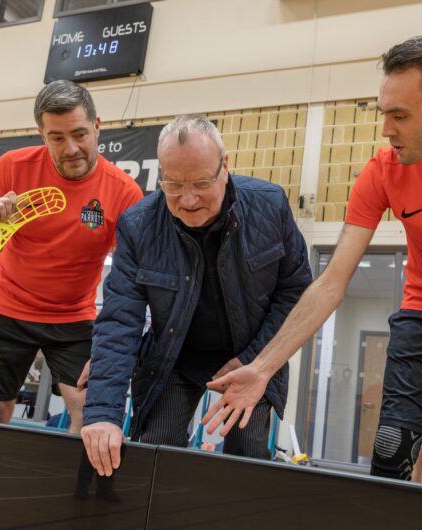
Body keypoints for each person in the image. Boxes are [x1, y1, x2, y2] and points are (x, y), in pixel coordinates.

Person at [203, 36, 422, 496]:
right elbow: (330, 284)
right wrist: (262, 367)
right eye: (383, 113)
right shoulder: (382, 171)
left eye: (400, 115)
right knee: (392, 447)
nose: (387, 129)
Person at [81, 115, 312, 474]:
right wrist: (102, 414)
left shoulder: (269, 206)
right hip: (174, 356)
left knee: (247, 457)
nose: (187, 200)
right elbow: (118, 321)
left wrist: (256, 360)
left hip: (252, 356)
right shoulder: (138, 225)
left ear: (225, 166)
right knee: (155, 451)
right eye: (172, 185)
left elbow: (296, 292)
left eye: (202, 183)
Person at [0, 80, 144, 433]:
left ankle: (73, 487)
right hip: (7, 307)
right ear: (41, 134)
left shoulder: (124, 192)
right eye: (57, 138)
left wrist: (117, 338)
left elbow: (130, 279)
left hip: (74, 316)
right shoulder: (12, 166)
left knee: (89, 412)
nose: (71, 148)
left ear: (96, 125)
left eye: (79, 134)